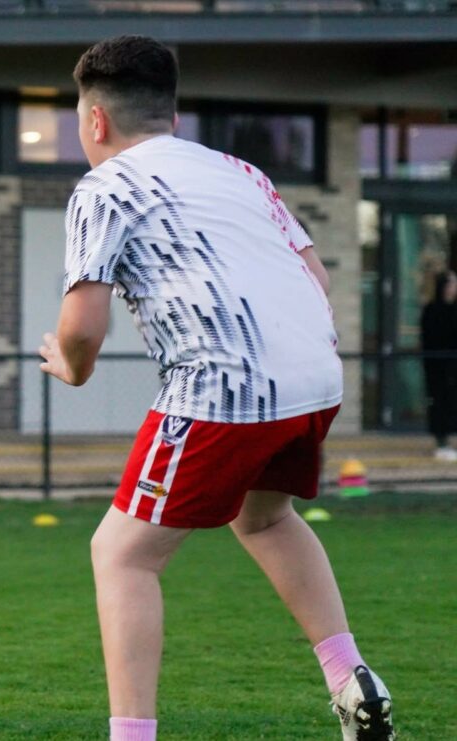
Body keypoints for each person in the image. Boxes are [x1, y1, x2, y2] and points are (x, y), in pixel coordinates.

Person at [38, 36, 394, 741]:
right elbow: (317, 277)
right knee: (264, 517)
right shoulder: (239, 170)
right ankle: (351, 678)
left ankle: (132, 737)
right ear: (172, 117)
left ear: (95, 120)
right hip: (316, 376)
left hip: (224, 383)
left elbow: (82, 325)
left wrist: (71, 369)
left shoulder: (103, 187)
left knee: (123, 554)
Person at [420, 269, 457, 461]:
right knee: (440, 402)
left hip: (453, 366)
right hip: (438, 367)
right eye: (451, 284)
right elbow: (431, 338)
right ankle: (441, 440)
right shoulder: (432, 310)